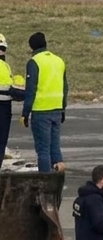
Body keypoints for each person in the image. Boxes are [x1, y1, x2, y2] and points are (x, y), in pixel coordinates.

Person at [22, 31, 67, 173]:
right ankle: (59, 180)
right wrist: (63, 108)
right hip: (57, 109)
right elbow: (65, 87)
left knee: (43, 150)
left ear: (32, 48)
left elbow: (31, 89)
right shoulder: (59, 61)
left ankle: (45, 181)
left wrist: (25, 113)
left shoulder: (34, 62)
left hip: (41, 111)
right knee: (55, 147)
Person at [0, 34, 21, 165]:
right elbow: (8, 87)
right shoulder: (3, 65)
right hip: (2, 107)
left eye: (3, 48)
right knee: (1, 142)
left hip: (5, 105)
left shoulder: (4, 65)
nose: (2, 51)